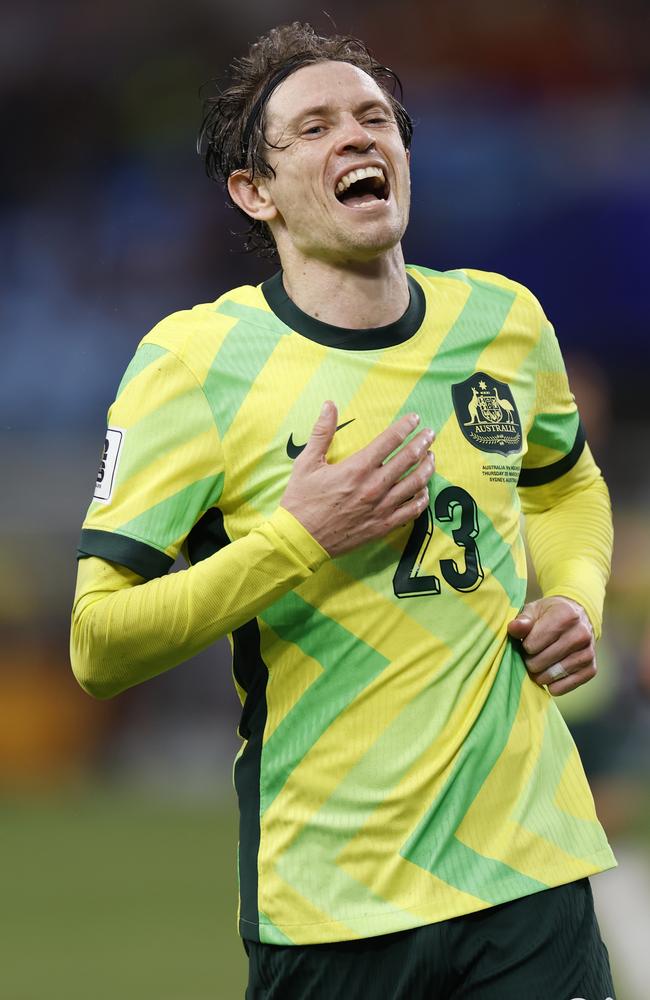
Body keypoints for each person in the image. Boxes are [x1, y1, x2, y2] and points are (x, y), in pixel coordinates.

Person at [70, 22, 617, 999]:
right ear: (256, 191)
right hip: (333, 901)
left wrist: (574, 594)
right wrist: (295, 539)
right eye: (314, 127)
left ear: (404, 155)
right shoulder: (193, 364)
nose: (356, 138)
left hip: (527, 866)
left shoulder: (501, 321)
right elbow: (98, 645)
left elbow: (565, 484)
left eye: (375, 119)